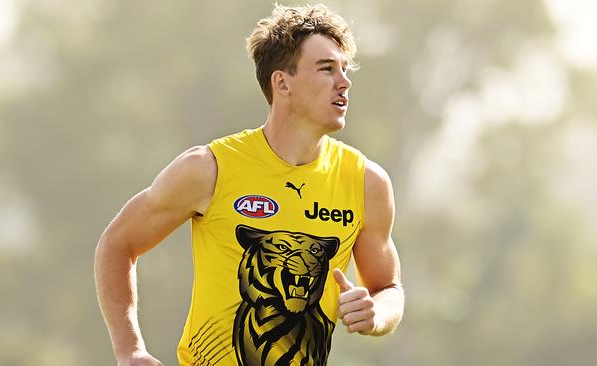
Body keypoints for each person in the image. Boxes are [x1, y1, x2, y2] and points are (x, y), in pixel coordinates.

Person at [95, 4, 404, 366]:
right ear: (282, 82)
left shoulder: (367, 181)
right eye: (326, 69)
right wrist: (129, 350)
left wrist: (377, 314)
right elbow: (118, 244)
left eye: (344, 69)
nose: (344, 81)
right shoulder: (208, 168)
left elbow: (388, 288)